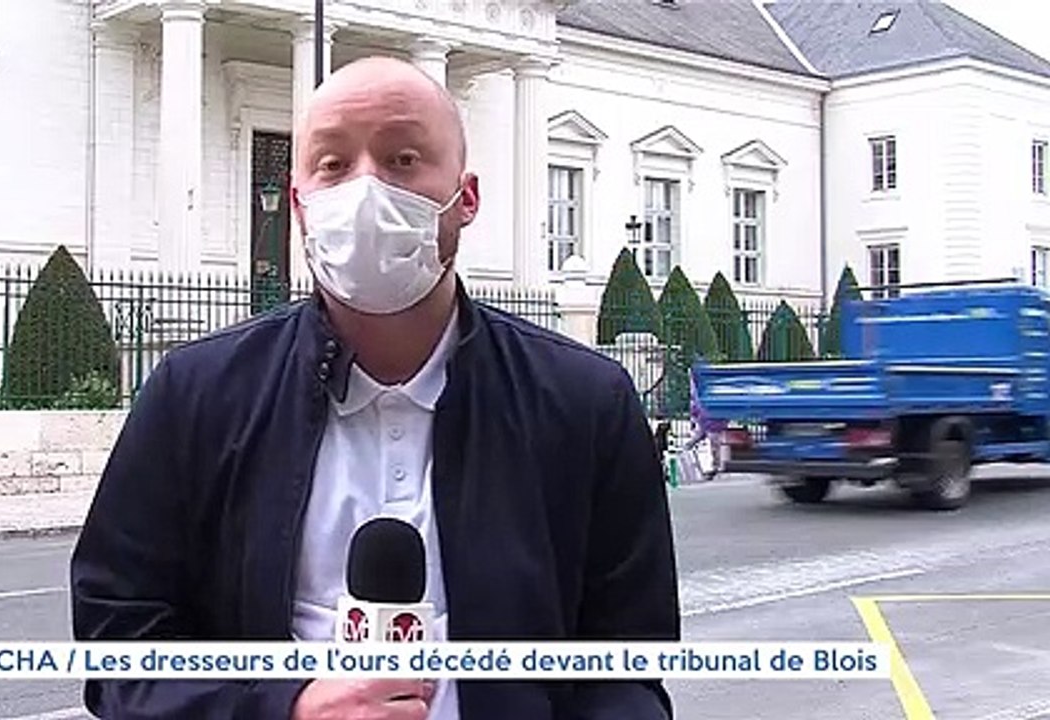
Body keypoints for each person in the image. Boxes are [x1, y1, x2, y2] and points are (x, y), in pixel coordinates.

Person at [70, 55, 680, 720]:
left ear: (465, 197)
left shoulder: (586, 404)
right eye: (332, 164)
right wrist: (283, 709)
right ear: (299, 204)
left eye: (404, 158)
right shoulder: (194, 397)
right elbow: (118, 648)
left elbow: (626, 670)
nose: (366, 188)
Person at [684, 369, 726, 481]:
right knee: (708, 442)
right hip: (708, 420)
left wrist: (694, 416)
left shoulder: (703, 388)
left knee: (712, 444)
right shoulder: (700, 388)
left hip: (710, 420)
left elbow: (694, 402)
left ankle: (715, 467)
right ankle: (715, 467)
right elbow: (694, 402)